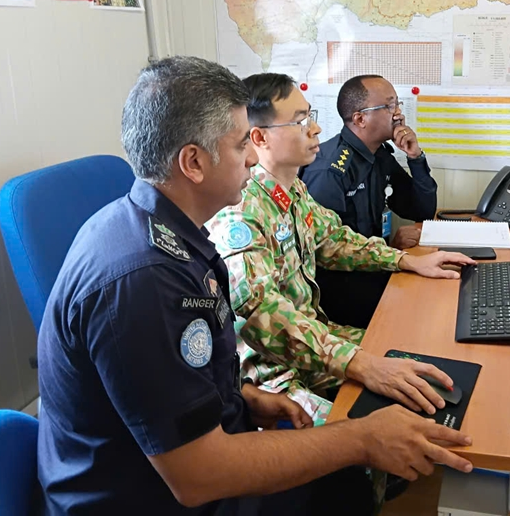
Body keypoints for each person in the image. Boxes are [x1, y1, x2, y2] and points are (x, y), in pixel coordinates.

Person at [37, 57, 473, 514]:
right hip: (152, 498)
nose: (252, 157)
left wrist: (237, 398)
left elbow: (165, 378)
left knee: (367, 442)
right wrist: (360, 440)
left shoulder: (163, 230)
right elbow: (199, 477)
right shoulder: (145, 279)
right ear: (193, 162)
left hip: (188, 451)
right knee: (349, 477)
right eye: (242, 142)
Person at [206, 73, 473, 425]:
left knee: (418, 357)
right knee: (372, 432)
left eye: (311, 116)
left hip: (317, 338)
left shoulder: (292, 193)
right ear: (259, 137)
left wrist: (408, 261)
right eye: (301, 121)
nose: (315, 129)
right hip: (273, 374)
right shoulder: (241, 216)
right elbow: (262, 315)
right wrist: (361, 364)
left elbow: (335, 240)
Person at [300, 74, 437, 327]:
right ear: (360, 118)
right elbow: (324, 250)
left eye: (397, 104)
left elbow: (423, 210)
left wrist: (415, 157)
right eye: (388, 106)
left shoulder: (379, 155)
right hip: (344, 295)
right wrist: (389, 250)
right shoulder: (330, 170)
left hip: (377, 270)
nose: (398, 114)